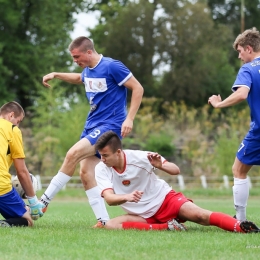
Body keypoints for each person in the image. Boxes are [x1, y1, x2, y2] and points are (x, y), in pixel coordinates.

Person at [40, 36, 144, 225]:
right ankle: (103, 221)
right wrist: (56, 74)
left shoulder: (112, 66)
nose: (75, 61)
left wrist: (129, 118)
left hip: (110, 125)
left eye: (76, 57)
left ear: (89, 52)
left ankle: (43, 202)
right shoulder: (87, 71)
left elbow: (138, 88)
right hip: (92, 125)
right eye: (73, 58)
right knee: (86, 173)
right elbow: (79, 78)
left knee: (72, 154)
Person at [94, 130, 260, 233]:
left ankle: (241, 226)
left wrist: (161, 166)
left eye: (106, 155)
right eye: (101, 155)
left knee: (200, 215)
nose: (102, 159)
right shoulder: (101, 168)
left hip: (165, 200)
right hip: (141, 215)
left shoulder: (141, 157)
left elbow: (175, 170)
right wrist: (128, 197)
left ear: (118, 152)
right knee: (111, 225)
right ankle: (167, 227)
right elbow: (109, 199)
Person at [208, 28, 260, 222]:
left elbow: (241, 94)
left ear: (248, 48)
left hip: (259, 130)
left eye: (239, 51)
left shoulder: (248, 68)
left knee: (239, 169)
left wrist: (218, 104)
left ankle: (241, 220)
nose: (239, 56)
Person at [0, 101, 44, 227]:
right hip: (1, 186)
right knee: (28, 221)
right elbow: (22, 171)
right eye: (18, 121)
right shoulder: (13, 130)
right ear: (11, 116)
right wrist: (34, 202)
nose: (18, 125)